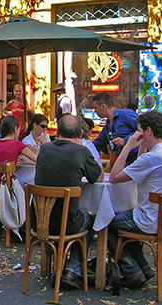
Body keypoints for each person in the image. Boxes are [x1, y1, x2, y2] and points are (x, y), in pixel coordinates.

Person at [108, 111, 162, 288]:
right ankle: (143, 267)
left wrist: (127, 146)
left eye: (139, 130)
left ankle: (132, 270)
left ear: (147, 131)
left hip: (151, 220)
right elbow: (140, 167)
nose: (137, 133)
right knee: (125, 220)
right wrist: (141, 147)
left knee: (105, 222)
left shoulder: (153, 157)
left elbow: (114, 177)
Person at [34, 114, 103, 289]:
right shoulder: (81, 151)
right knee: (92, 219)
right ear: (80, 134)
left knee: (71, 215)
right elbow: (98, 176)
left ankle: (60, 267)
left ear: (57, 132)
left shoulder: (44, 149)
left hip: (39, 221)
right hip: (68, 223)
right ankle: (73, 270)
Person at [0, 116, 38, 196]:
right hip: (7, 191)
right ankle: (25, 208)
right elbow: (37, 159)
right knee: (28, 186)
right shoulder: (17, 145)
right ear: (15, 129)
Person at [92, 92, 139, 167]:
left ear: (103, 106)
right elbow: (98, 144)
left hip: (137, 158)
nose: (95, 111)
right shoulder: (107, 126)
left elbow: (143, 130)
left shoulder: (126, 114)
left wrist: (125, 140)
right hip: (123, 161)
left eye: (95, 108)